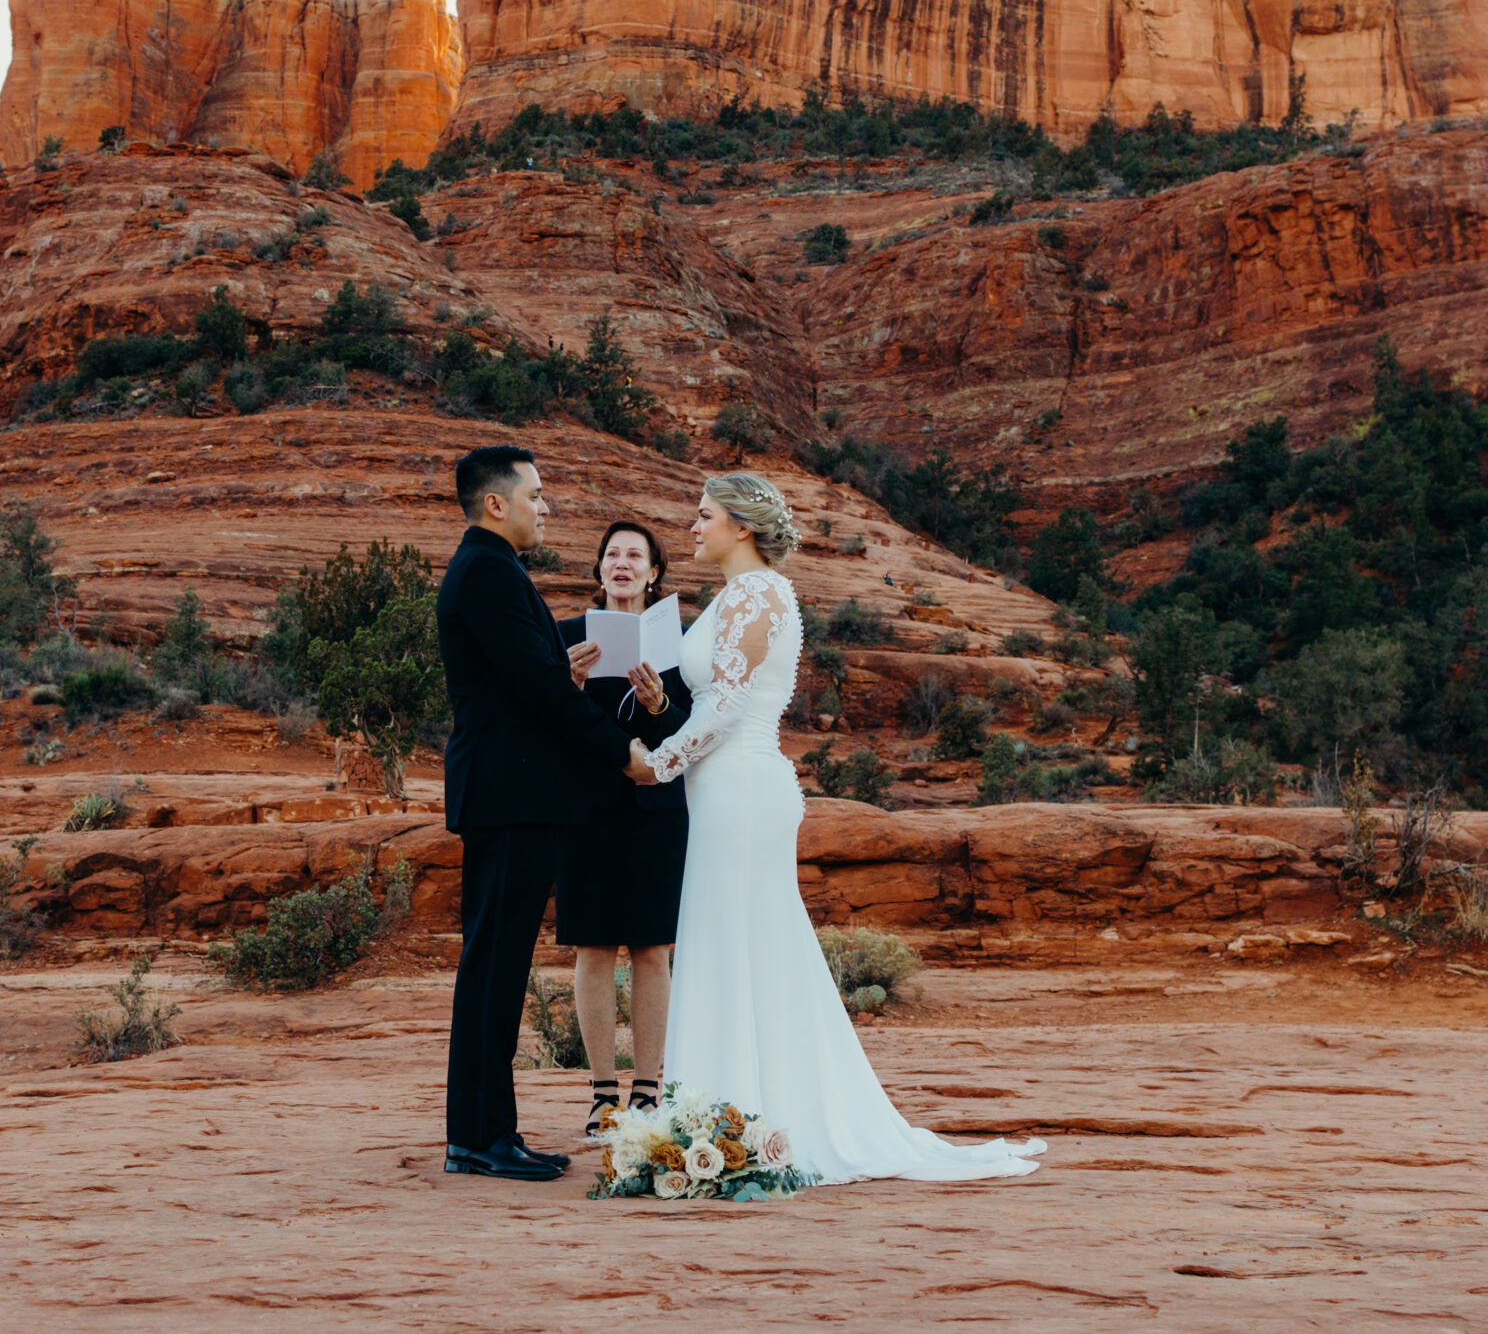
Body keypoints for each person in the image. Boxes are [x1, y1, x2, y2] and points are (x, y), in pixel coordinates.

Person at [649, 471, 1048, 1186]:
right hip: (720, 790)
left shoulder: (761, 593)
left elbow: (730, 706)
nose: (691, 525)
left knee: (742, 938)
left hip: (741, 786)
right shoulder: (733, 596)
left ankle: (743, 1120)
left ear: (740, 524)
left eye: (702, 514)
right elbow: (705, 695)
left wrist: (656, 762)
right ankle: (729, 1116)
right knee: (733, 939)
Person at [434, 445, 650, 1181]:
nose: (543, 504)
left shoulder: (491, 570)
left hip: (508, 793)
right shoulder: (490, 572)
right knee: (493, 967)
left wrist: (556, 658)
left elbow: (524, 670)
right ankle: (479, 1138)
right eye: (535, 493)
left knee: (496, 967)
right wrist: (624, 751)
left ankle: (489, 1132)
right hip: (510, 794)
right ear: (497, 503)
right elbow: (538, 691)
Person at [554, 521, 692, 1138]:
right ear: (599, 568)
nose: (622, 563)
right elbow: (543, 721)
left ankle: (648, 1091)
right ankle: (602, 1094)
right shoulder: (566, 639)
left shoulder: (680, 645)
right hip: (586, 808)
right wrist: (571, 684)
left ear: (654, 572)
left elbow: (693, 728)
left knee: (651, 948)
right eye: (612, 553)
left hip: (656, 811)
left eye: (635, 555)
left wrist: (661, 705)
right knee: (591, 947)